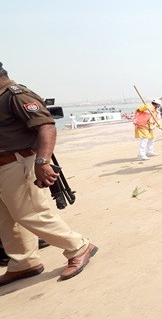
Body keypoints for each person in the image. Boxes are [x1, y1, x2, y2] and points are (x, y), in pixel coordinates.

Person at [0, 62, 98, 286]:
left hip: (19, 163)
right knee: (7, 220)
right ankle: (24, 263)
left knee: (32, 213)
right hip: (4, 166)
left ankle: (79, 246)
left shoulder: (17, 95)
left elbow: (47, 126)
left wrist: (42, 162)